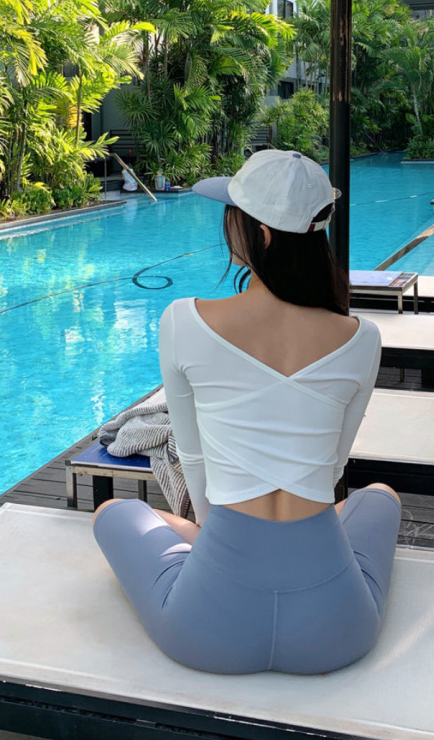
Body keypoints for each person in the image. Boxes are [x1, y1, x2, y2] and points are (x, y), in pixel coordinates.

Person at [92, 150, 401, 675]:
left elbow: (192, 458)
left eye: (232, 213)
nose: (226, 225)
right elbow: (331, 469)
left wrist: (212, 535)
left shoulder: (183, 322)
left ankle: (210, 542)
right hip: (335, 630)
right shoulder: (362, 338)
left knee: (112, 514)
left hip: (210, 628)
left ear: (261, 234)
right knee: (380, 497)